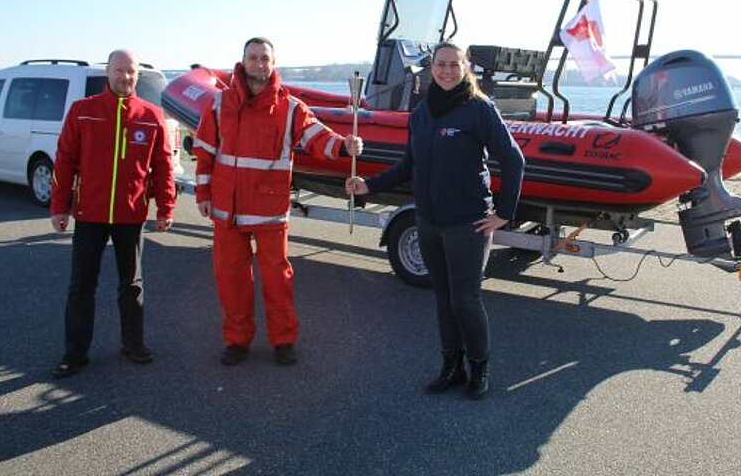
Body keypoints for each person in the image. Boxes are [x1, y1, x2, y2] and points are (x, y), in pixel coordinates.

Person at [346, 41, 524, 400]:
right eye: (440, 64)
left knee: (466, 300)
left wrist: (504, 212)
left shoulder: (479, 110)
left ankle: (480, 367)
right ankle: (451, 365)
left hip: (467, 223)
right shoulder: (423, 113)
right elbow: (409, 166)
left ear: (465, 67)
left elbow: (514, 160)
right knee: (443, 299)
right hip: (429, 221)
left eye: (453, 65)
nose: (446, 71)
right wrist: (368, 186)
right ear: (432, 68)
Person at [194, 37, 363, 367]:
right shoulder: (218, 104)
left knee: (277, 279)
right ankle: (237, 340)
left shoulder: (290, 108)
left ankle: (283, 340)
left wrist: (344, 145)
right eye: (253, 57)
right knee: (231, 280)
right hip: (227, 210)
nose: (259, 63)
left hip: (269, 210)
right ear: (242, 61)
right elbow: (204, 153)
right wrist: (203, 194)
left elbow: (317, 137)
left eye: (264, 58)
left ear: (273, 64)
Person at [50, 49, 176, 378]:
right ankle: (75, 353)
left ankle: (133, 344)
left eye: (131, 71)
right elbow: (64, 161)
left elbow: (163, 166)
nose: (125, 77)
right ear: (108, 72)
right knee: (81, 286)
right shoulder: (83, 111)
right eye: (119, 70)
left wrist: (166, 206)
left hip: (130, 214)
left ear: (137, 75)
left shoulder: (150, 115)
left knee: (131, 284)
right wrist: (59, 207)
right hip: (90, 213)